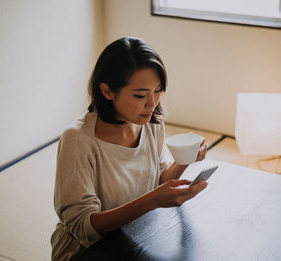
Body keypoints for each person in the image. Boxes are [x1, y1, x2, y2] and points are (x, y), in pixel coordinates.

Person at [50, 36, 208, 261]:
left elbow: (157, 182)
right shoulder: (79, 140)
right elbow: (83, 227)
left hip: (136, 237)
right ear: (107, 91)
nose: (152, 103)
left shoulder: (151, 122)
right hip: (87, 251)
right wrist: (152, 200)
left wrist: (186, 159)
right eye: (140, 95)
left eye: (158, 91)